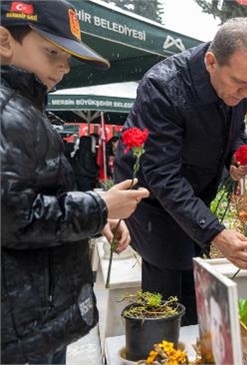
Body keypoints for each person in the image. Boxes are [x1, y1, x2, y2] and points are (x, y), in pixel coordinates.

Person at [0, 1, 149, 363]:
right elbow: (13, 217)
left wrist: (97, 216)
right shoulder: (9, 111)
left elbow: (38, 196)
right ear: (4, 41)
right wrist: (99, 207)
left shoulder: (26, 108)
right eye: (52, 51)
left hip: (35, 316)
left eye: (67, 56)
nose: (64, 67)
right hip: (19, 327)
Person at [113, 17, 247, 326]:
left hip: (194, 200)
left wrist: (236, 156)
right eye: (239, 85)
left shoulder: (236, 83)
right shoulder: (163, 87)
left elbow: (234, 130)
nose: (244, 95)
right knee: (166, 302)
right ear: (211, 61)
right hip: (154, 206)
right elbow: (162, 174)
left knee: (193, 293)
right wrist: (215, 232)